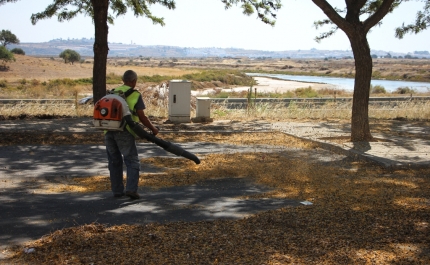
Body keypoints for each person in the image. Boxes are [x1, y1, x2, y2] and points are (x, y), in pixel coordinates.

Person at [105, 70, 159, 199]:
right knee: (132, 160)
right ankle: (131, 189)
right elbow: (141, 117)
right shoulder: (135, 94)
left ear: (123, 80)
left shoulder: (112, 92)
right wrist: (153, 129)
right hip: (125, 131)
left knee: (114, 162)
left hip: (108, 131)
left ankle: (117, 191)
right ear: (134, 81)